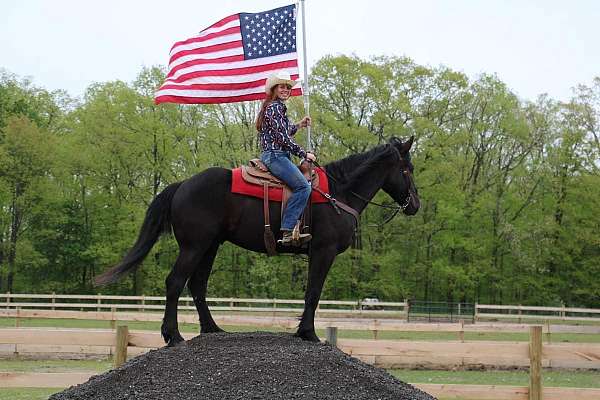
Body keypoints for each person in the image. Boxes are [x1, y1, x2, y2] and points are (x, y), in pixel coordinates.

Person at [256, 71, 316, 246]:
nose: (286, 90)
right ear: (275, 89)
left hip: (277, 155)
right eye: (282, 86)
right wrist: (304, 154)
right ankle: (288, 231)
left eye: (288, 87)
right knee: (304, 187)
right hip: (275, 156)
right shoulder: (275, 107)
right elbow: (282, 138)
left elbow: (284, 130)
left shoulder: (275, 107)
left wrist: (299, 124)